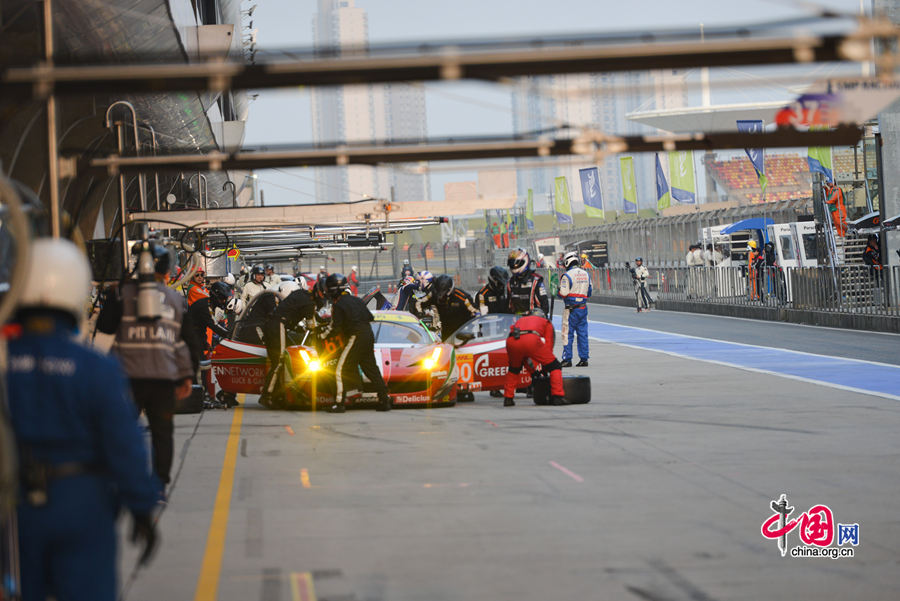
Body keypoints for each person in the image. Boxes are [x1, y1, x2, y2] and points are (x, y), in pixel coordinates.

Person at [7, 238, 160, 601]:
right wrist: (141, 506)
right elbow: (124, 443)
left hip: (12, 510)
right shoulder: (95, 369)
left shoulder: (2, 363)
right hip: (81, 501)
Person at [97, 241, 200, 488]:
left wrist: (114, 294)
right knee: (162, 433)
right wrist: (188, 377)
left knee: (122, 430)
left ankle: (122, 478)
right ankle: (159, 483)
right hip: (163, 379)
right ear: (166, 272)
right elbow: (188, 342)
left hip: (127, 379)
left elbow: (105, 327)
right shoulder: (175, 300)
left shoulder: (123, 293)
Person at [317, 274, 392, 413]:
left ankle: (339, 403)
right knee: (371, 369)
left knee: (340, 369)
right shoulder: (357, 300)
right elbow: (370, 317)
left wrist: (321, 336)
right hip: (368, 334)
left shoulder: (338, 305)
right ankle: (385, 400)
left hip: (355, 336)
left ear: (333, 290)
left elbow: (335, 328)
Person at [259, 281, 316, 408]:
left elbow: (291, 314)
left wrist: (297, 328)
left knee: (279, 361)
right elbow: (312, 325)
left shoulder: (300, 294)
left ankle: (277, 394)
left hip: (272, 325)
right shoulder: (309, 303)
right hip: (278, 325)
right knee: (279, 361)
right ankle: (267, 395)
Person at [502, 309, 567, 407]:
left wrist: (533, 372)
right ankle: (557, 396)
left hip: (511, 340)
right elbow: (549, 344)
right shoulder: (546, 322)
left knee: (514, 369)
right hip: (530, 339)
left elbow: (524, 358)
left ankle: (508, 398)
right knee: (555, 366)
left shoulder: (521, 319)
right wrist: (547, 365)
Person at [558, 251, 591, 368]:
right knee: (583, 334)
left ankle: (567, 359)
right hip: (583, 308)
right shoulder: (586, 274)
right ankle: (584, 359)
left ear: (567, 261)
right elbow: (589, 292)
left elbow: (563, 293)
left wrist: (557, 290)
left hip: (570, 310)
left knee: (567, 334)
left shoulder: (567, 275)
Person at [432, 275, 478, 341]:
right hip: (446, 334)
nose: (441, 296)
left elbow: (476, 313)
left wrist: (470, 329)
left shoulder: (463, 298)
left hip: (463, 333)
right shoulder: (435, 296)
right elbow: (422, 303)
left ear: (450, 289)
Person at [507, 248, 550, 315]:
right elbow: (508, 307)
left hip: (533, 321)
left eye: (516, 263)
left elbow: (545, 306)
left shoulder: (536, 280)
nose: (514, 266)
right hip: (516, 321)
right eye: (511, 264)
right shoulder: (510, 282)